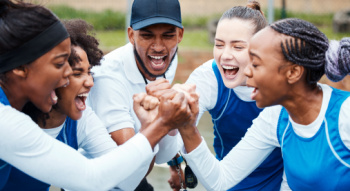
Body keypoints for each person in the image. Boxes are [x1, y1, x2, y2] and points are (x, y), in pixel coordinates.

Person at [0, 1, 194, 191]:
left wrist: (152, 129)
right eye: (60, 65)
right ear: (20, 68)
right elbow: (92, 177)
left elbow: (124, 182)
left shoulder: (81, 118)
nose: (66, 78)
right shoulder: (6, 121)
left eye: (88, 72)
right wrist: (158, 126)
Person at [169, 18, 350, 190]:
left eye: (255, 64)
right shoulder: (275, 118)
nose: (247, 72)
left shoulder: (344, 115)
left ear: (293, 72)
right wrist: (188, 127)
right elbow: (221, 179)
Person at [168, 1, 284, 190]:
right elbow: (175, 135)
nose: (225, 55)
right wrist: (175, 161)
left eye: (238, 47)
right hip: (227, 182)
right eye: (219, 45)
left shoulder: (283, 84)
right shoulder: (208, 77)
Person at [87, 0, 185, 189]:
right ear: (131, 35)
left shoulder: (166, 60)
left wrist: (174, 153)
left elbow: (160, 155)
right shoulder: (107, 78)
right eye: (147, 36)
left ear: (179, 35)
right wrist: (158, 123)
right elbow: (127, 174)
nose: (158, 47)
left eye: (168, 36)